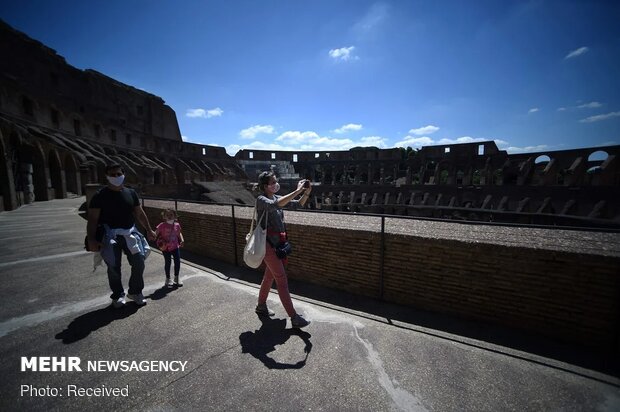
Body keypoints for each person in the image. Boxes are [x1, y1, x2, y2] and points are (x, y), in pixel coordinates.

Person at [87, 163, 156, 308]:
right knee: (113, 266)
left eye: (119, 174)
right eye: (112, 175)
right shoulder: (100, 196)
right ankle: (117, 295)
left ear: (123, 175)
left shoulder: (131, 193)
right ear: (106, 177)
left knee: (139, 262)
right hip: (109, 235)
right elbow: (93, 219)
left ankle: (135, 292)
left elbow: (139, 213)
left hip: (129, 232)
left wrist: (149, 230)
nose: (116, 177)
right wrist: (92, 239)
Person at [254, 171, 312, 328]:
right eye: (273, 182)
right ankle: (294, 318)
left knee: (269, 277)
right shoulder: (261, 199)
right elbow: (275, 206)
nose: (276, 183)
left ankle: (261, 306)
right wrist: (298, 190)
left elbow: (297, 204)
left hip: (277, 244)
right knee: (282, 281)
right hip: (268, 245)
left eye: (275, 181)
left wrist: (306, 192)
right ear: (266, 186)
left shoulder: (275, 198)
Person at [155, 208, 185, 288]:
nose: (169, 216)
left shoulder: (177, 225)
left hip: (175, 246)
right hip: (166, 248)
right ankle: (168, 279)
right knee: (168, 262)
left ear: (175, 216)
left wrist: (182, 240)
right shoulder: (162, 225)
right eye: (167, 215)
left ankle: (176, 277)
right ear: (164, 216)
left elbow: (179, 234)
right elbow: (155, 234)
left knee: (177, 262)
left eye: (171, 215)